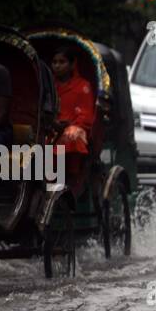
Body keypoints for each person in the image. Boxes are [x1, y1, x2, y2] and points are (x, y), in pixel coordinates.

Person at [50, 44, 96, 197]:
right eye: (55, 62)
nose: (57, 66)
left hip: (76, 126)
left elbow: (86, 115)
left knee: (71, 136)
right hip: (51, 127)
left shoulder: (83, 86)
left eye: (62, 62)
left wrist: (69, 125)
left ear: (71, 65)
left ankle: (70, 178)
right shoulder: (49, 86)